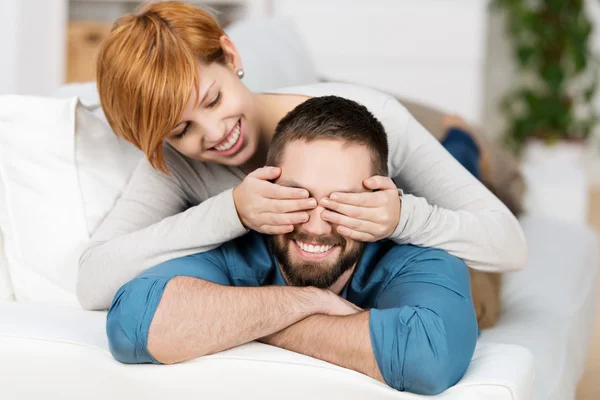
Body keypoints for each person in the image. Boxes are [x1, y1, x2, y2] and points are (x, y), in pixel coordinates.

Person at [77, 1, 527, 312]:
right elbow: (93, 280)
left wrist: (404, 218)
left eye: (213, 100)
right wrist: (231, 210)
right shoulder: (175, 163)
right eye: (181, 129)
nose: (215, 134)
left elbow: (508, 244)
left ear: (229, 55)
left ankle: (462, 140)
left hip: (405, 142)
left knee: (482, 176)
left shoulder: (376, 117)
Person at [106, 96, 478, 396]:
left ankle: (462, 139)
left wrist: (242, 320)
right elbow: (133, 322)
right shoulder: (237, 246)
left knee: (466, 167)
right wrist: (310, 301)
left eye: (341, 203)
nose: (316, 226)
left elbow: (428, 356)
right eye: (298, 197)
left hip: (459, 235)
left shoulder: (415, 253)